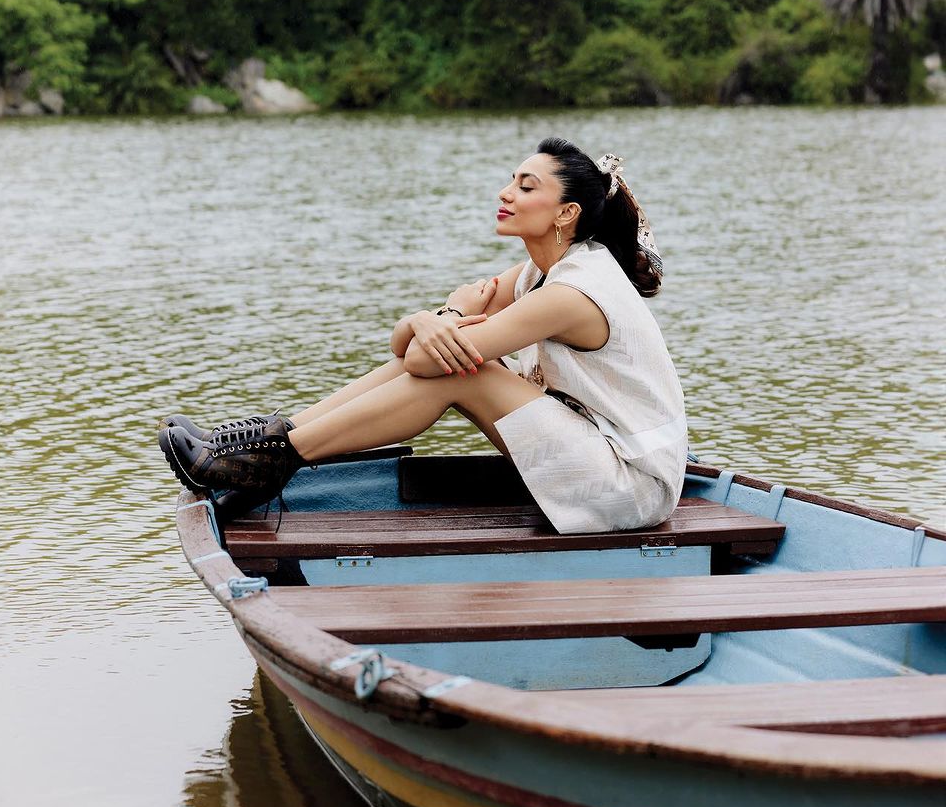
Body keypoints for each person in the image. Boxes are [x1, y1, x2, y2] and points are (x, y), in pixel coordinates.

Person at [159, 137, 687, 534]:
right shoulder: (534, 274)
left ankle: (274, 461)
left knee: (464, 372)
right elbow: (407, 348)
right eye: (512, 181)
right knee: (457, 360)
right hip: (588, 452)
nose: (506, 194)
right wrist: (437, 316)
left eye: (527, 187)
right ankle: (274, 438)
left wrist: (440, 320)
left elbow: (426, 364)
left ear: (566, 213)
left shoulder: (572, 291)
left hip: (630, 485)